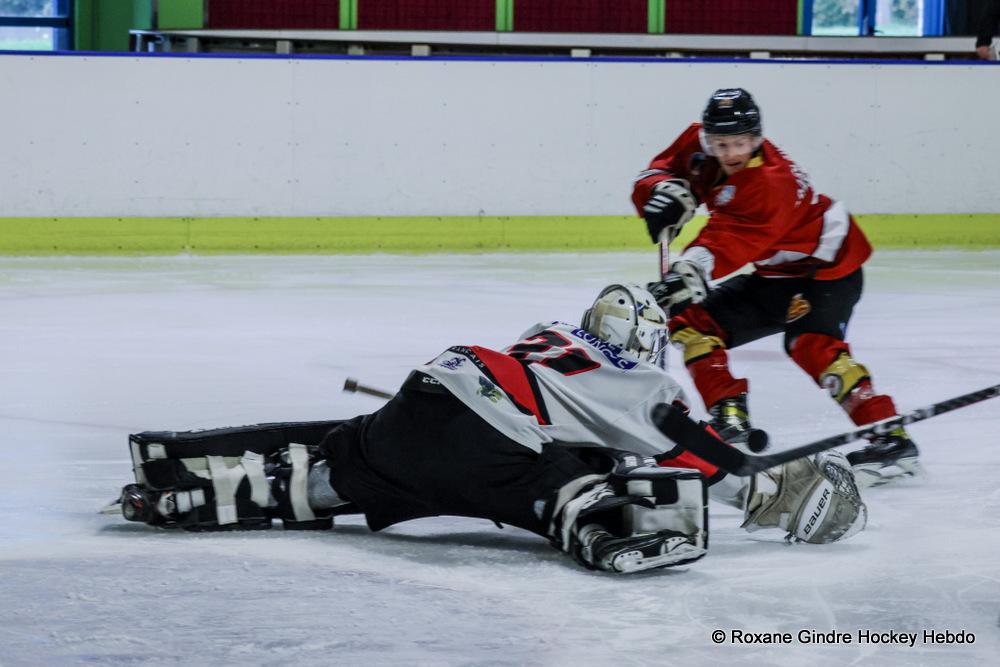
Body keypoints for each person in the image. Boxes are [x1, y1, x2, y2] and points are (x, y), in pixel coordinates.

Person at [110, 284, 866, 574]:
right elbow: (682, 440)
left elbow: (556, 414)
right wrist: (759, 484)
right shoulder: (639, 380)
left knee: (334, 466)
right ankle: (610, 527)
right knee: (573, 490)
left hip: (428, 396)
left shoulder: (551, 338)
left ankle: (178, 485)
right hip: (487, 443)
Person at [632, 88, 919, 488]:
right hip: (775, 272)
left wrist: (688, 274)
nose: (731, 152)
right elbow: (658, 170)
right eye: (721, 143)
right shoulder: (698, 143)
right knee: (691, 322)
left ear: (758, 138)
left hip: (826, 269)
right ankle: (730, 418)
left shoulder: (771, 182)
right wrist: (660, 191)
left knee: (811, 344)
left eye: (741, 143)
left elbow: (729, 241)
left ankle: (890, 437)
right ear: (707, 139)